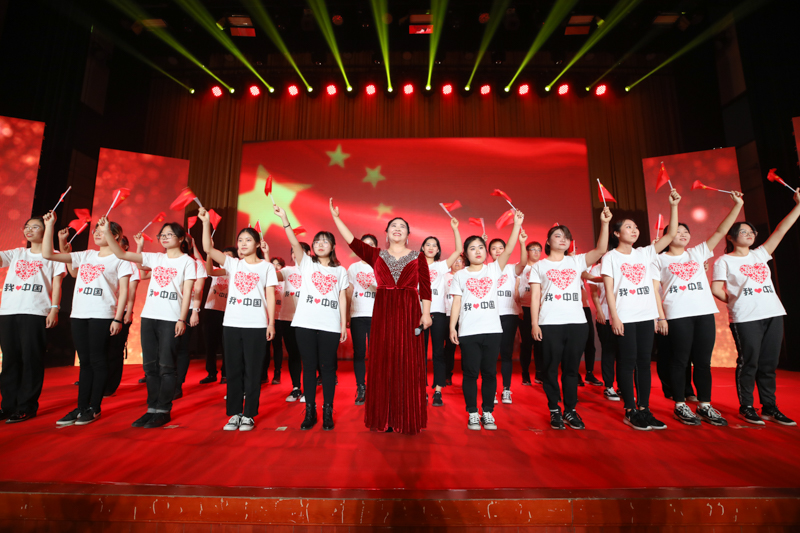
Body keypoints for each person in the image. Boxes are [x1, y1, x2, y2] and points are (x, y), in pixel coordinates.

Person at [330, 198, 432, 434]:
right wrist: (336, 218)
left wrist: (426, 314)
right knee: (383, 362)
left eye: (402, 226)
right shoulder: (376, 255)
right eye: (393, 226)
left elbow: (426, 288)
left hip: (409, 310)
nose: (397, 229)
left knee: (407, 363)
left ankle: (406, 417)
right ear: (386, 233)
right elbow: (352, 242)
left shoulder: (418, 256)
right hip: (383, 310)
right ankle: (385, 417)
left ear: (408, 234)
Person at [712, 188, 800, 427]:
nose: (749, 234)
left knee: (769, 363)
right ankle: (747, 407)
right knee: (749, 362)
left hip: (773, 313)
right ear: (731, 238)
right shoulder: (724, 261)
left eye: (751, 231)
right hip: (745, 318)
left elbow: (781, 230)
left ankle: (769, 407)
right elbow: (716, 289)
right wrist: (736, 301)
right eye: (743, 231)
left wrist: (798, 206)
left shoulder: (760, 254)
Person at [654, 191, 744, 426]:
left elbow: (721, 231)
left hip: (704, 314)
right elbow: (654, 291)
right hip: (677, 315)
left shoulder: (697, 253)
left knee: (703, 362)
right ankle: (680, 405)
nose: (683, 234)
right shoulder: (659, 259)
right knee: (680, 361)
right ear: (668, 236)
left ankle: (705, 405)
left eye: (686, 232)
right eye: (677, 231)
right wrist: (660, 318)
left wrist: (737, 205)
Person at [105, 220, 196, 428]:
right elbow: (121, 254)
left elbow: (187, 293)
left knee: (166, 366)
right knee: (150, 367)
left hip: (171, 318)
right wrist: (106, 232)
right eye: (162, 235)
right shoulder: (156, 258)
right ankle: (152, 409)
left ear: (181, 239)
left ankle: (163, 410)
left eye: (169, 234)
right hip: (149, 317)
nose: (164, 238)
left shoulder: (187, 262)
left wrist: (182, 319)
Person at [603, 188, 681, 431]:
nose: (634, 230)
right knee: (627, 362)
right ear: (617, 233)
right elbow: (609, 290)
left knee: (644, 363)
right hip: (624, 317)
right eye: (628, 227)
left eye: (636, 227)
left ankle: (644, 409)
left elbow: (669, 236)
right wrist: (614, 317)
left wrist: (674, 206)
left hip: (647, 316)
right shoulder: (610, 257)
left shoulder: (645, 253)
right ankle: (630, 410)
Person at [43, 214, 132, 426]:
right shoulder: (87, 255)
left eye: (103, 231)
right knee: (85, 362)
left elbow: (125, 292)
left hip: (102, 314)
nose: (97, 234)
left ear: (116, 236)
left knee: (98, 360)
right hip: (79, 314)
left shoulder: (121, 259)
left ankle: (94, 407)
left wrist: (118, 319)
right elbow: (49, 255)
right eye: (96, 231)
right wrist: (50, 227)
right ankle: (81, 407)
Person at [530, 208, 611, 430]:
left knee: (571, 370)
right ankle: (554, 409)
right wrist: (535, 323)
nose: (563, 239)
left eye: (567, 236)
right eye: (558, 235)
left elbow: (601, 249)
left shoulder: (577, 261)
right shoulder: (539, 266)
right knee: (550, 370)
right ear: (548, 242)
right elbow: (535, 297)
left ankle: (570, 410)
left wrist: (604, 223)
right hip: (549, 324)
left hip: (577, 324)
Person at [199, 208, 277, 431]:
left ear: (257, 243)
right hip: (232, 324)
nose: (242, 243)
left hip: (256, 325)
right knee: (233, 369)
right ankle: (235, 413)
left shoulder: (267, 267)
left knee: (252, 370)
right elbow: (208, 249)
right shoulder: (233, 264)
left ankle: (249, 414)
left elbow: (271, 295)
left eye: (248, 240)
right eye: (240, 240)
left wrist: (271, 323)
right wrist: (205, 223)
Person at [449, 210, 524, 430]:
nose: (478, 251)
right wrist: (452, 327)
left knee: (490, 372)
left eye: (481, 247)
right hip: (468, 331)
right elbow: (456, 303)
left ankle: (488, 412)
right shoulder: (460, 275)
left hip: (492, 330)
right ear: (465, 254)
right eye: (472, 248)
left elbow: (509, 249)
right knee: (471, 373)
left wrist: (516, 225)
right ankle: (473, 412)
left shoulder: (493, 269)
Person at [276, 204, 348, 431]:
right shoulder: (306, 263)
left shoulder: (340, 271)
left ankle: (327, 410)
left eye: (325, 241)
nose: (320, 244)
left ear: (333, 246)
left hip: (329, 325)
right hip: (305, 324)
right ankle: (310, 411)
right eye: (317, 241)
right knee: (308, 367)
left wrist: (343, 324)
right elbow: (294, 242)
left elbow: (342, 298)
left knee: (327, 369)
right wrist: (285, 219)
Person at [0, 216, 66, 423]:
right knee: (9, 360)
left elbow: (57, 284)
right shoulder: (17, 253)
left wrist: (54, 309)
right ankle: (8, 406)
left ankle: (26, 406)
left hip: (35, 312)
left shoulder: (54, 256)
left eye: (35, 227)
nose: (29, 230)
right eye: (26, 227)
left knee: (31, 359)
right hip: (9, 311)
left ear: (45, 230)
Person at [420, 219, 463, 407]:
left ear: (438, 250)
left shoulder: (440, 266)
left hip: (438, 314)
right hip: (418, 315)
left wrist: (455, 229)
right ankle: (420, 388)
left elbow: (458, 250)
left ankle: (438, 390)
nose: (431, 247)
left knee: (438, 352)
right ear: (422, 248)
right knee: (419, 354)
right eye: (428, 244)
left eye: (434, 245)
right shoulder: (414, 266)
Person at [487, 230, 528, 405]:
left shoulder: (511, 268)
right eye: (494, 248)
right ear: (489, 252)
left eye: (501, 248)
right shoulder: (487, 269)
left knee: (506, 354)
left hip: (509, 315)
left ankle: (506, 389)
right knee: (490, 355)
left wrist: (522, 243)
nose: (498, 251)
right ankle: (491, 390)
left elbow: (524, 263)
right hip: (490, 316)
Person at [276, 242, 312, 402]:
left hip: (307, 318)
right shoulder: (287, 270)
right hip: (287, 318)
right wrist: (266, 254)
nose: (296, 253)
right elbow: (270, 276)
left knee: (308, 355)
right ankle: (296, 388)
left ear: (309, 254)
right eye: (294, 251)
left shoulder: (313, 271)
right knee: (293, 354)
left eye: (302, 251)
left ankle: (308, 389)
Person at [347, 234, 378, 405]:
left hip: (377, 315)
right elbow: (349, 291)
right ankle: (361, 386)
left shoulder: (380, 266)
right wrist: (346, 314)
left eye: (371, 244)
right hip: (357, 314)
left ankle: (376, 385)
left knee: (376, 353)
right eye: (364, 244)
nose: (367, 247)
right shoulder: (353, 268)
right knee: (359, 352)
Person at [200, 246, 238, 384]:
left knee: (226, 345)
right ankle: (211, 373)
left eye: (229, 255)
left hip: (228, 312)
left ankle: (226, 373)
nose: (225, 257)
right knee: (210, 344)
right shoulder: (216, 270)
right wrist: (209, 251)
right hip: (211, 310)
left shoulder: (235, 271)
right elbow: (206, 266)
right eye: (223, 254)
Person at [585, 261, 620, 401]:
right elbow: (594, 293)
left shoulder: (622, 265)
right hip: (605, 315)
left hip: (625, 315)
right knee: (609, 351)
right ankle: (609, 386)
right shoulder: (597, 269)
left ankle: (623, 386)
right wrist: (599, 311)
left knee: (624, 353)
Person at [517, 241, 543, 385]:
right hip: (525, 308)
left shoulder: (543, 266)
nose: (536, 252)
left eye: (538, 249)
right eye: (533, 249)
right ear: (527, 252)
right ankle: (525, 373)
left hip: (541, 309)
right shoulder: (522, 267)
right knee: (526, 343)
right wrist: (519, 307)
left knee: (540, 343)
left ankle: (539, 373)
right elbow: (515, 288)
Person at [443, 255, 465, 386]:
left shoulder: (466, 275)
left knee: (466, 347)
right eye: (454, 261)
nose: (457, 263)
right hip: (448, 315)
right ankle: (447, 374)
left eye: (460, 261)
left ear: (463, 263)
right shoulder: (444, 277)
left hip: (464, 316)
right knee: (449, 347)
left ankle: (467, 375)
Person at [265, 256, 286, 384]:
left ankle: (277, 372)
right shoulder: (266, 279)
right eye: (273, 264)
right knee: (264, 346)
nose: (275, 266)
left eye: (278, 264)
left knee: (277, 345)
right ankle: (263, 373)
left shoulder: (284, 281)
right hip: (265, 317)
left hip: (279, 317)